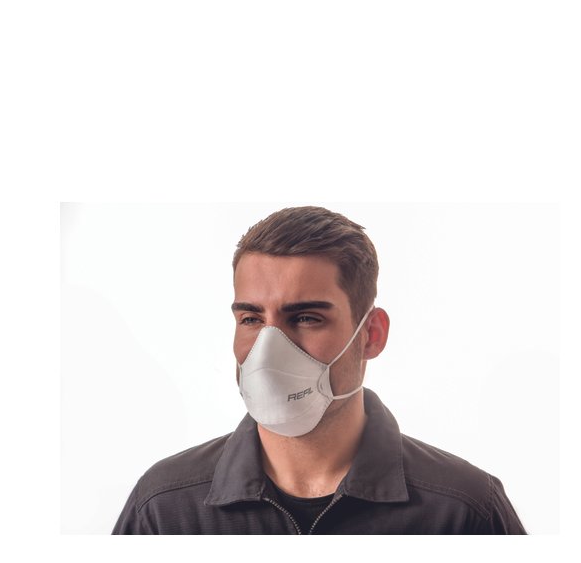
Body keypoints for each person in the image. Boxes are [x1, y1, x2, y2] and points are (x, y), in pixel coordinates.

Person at [112, 206, 526, 534]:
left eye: (306, 318)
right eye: (251, 319)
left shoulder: (462, 511)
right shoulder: (165, 509)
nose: (268, 350)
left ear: (371, 335)